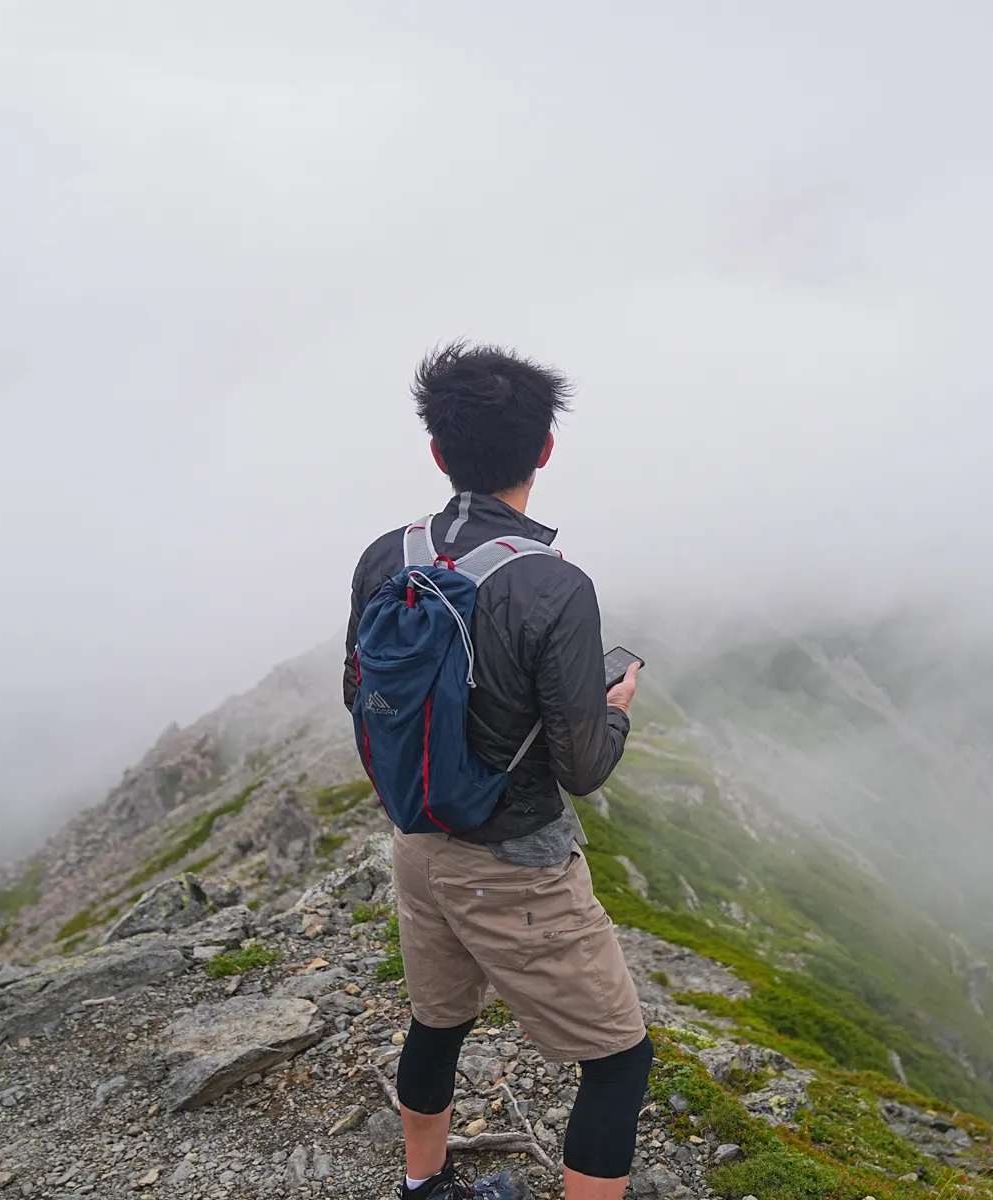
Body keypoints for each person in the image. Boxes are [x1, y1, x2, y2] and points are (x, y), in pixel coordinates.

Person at [343, 343, 650, 1200]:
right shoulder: (553, 586)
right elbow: (584, 768)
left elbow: (357, 695)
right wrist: (614, 704)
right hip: (515, 862)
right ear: (545, 449)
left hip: (416, 842)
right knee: (622, 1063)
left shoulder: (385, 556)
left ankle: (422, 1186)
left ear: (438, 453)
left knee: (437, 1022)